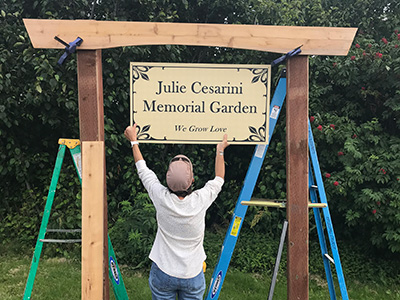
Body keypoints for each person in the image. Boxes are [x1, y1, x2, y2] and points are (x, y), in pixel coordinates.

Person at [124, 124, 229, 300]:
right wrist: (220, 150)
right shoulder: (200, 200)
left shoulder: (160, 197)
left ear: (166, 178)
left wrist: (134, 141)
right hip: (192, 274)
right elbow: (219, 179)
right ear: (192, 180)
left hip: (163, 272)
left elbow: (143, 171)